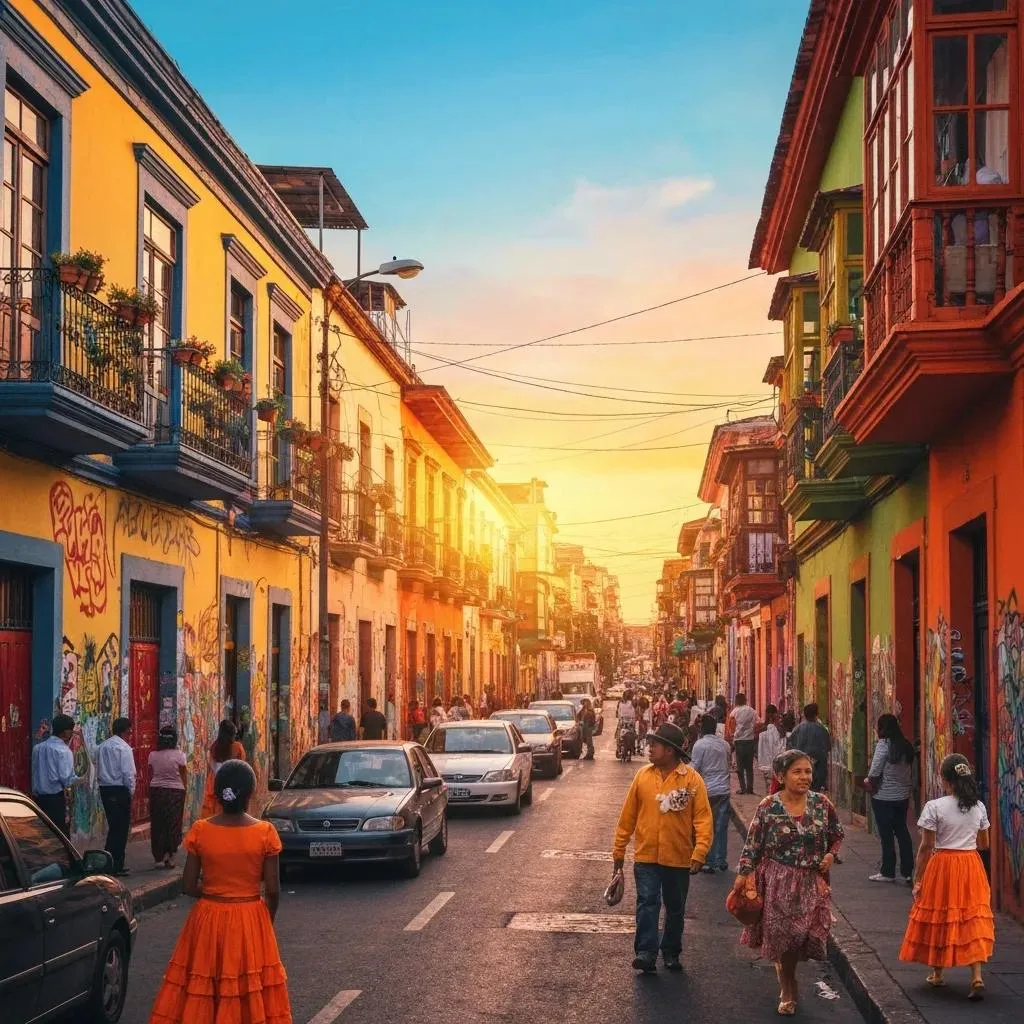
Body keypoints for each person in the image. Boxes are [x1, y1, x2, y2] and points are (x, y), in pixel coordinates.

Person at [148, 760, 291, 1023]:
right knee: (247, 985)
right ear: (249, 794)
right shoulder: (265, 833)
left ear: (219, 792)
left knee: (205, 982)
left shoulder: (201, 830)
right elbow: (273, 889)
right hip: (250, 916)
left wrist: (216, 891)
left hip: (208, 916)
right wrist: (265, 920)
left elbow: (188, 885)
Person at [733, 750, 844, 1016]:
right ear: (781, 776)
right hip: (777, 881)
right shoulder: (768, 806)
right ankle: (787, 984)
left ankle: (788, 973)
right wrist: (743, 874)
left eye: (807, 771)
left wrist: (830, 855)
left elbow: (836, 834)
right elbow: (753, 844)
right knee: (783, 936)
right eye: (797, 771)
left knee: (803, 935)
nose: (805, 777)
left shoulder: (821, 804)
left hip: (810, 882)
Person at [612, 722, 713, 974]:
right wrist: (619, 853)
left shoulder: (692, 781)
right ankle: (646, 952)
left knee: (675, 907)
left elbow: (703, 819)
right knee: (647, 902)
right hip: (646, 856)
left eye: (654, 745)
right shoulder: (642, 776)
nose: (649, 749)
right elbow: (628, 817)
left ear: (670, 750)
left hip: (678, 857)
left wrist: (700, 851)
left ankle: (670, 951)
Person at [898, 753, 994, 999]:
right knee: (970, 915)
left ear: (944, 779)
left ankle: (938, 973)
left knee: (938, 913)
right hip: (970, 864)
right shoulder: (979, 806)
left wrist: (918, 877)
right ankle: (977, 976)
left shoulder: (935, 807)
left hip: (942, 864)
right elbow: (984, 843)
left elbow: (926, 847)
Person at [864, 714, 916, 884]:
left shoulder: (884, 745)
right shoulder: (905, 745)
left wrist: (868, 781)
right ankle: (908, 871)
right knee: (902, 831)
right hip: (902, 796)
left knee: (886, 835)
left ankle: (888, 871)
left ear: (881, 728)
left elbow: (875, 770)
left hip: (884, 796)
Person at [690, 714, 732, 873]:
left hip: (707, 790)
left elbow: (694, 769)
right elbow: (728, 765)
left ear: (701, 728)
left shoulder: (699, 745)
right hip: (724, 790)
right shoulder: (725, 745)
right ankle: (721, 859)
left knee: (707, 826)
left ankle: (708, 860)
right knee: (721, 826)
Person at [97, 717, 136, 875]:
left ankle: (109, 861)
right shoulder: (124, 748)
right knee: (120, 829)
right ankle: (116, 864)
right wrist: (131, 791)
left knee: (114, 827)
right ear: (125, 730)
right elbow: (129, 773)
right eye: (129, 730)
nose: (131, 733)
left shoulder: (103, 746)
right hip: (119, 789)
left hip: (105, 789)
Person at [30, 714, 79, 837]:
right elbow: (67, 779)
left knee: (42, 835)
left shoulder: (38, 748)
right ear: (65, 732)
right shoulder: (64, 751)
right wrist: (81, 780)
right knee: (60, 837)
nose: (72, 734)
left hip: (38, 799)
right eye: (71, 731)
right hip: (54, 800)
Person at [149, 726, 188, 869]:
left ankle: (159, 855)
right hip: (175, 792)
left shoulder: (152, 755)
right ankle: (170, 855)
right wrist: (185, 791)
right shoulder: (180, 756)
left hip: (156, 791)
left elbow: (151, 774)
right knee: (173, 824)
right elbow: (184, 776)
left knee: (158, 823)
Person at [200, 721, 245, 819]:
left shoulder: (214, 747)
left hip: (213, 785)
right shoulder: (238, 747)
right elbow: (242, 768)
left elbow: (210, 768)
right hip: (232, 786)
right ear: (232, 733)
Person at [788, 703, 831, 792]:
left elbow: (790, 748)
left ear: (804, 714)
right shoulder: (822, 730)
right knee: (815, 791)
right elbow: (828, 747)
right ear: (816, 714)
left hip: (800, 766)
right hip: (818, 769)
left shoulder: (797, 729)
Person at [729, 693, 759, 795]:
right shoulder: (752, 711)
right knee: (749, 766)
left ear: (737, 701)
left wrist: (733, 736)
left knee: (740, 766)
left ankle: (743, 788)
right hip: (750, 741)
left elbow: (731, 726)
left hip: (739, 741)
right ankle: (750, 788)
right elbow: (757, 723)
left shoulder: (734, 712)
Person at [757, 705, 786, 792]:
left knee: (769, 784)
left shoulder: (762, 728)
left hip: (765, 762)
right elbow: (783, 743)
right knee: (777, 785)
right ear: (775, 714)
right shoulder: (779, 728)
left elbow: (758, 746)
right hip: (777, 761)